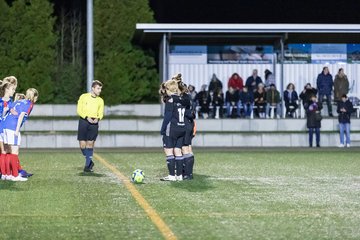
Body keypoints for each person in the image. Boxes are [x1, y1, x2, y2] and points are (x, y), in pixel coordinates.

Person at [2, 88, 39, 181]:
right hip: (12, 127)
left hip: (5, 125)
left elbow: (9, 108)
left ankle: (6, 174)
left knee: (7, 151)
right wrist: (17, 130)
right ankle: (15, 175)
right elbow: (21, 115)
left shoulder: (20, 101)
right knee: (14, 152)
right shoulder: (29, 104)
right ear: (34, 96)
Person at [160, 79, 187, 181]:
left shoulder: (170, 100)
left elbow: (168, 116)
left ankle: (171, 176)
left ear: (168, 89)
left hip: (172, 128)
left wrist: (162, 129)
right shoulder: (181, 99)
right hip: (182, 127)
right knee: (178, 151)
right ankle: (179, 176)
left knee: (169, 151)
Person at [77, 80, 104, 173]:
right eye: (98, 88)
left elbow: (101, 113)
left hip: (94, 123)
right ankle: (90, 162)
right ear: (93, 88)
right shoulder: (83, 97)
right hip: (84, 121)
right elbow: (79, 110)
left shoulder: (100, 100)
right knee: (82, 145)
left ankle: (87, 165)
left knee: (90, 144)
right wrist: (86, 117)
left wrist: (98, 118)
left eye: (100, 89)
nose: (100, 90)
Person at [0, 82, 16, 180]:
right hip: (1, 128)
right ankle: (5, 174)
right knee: (3, 150)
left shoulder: (11, 102)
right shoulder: (0, 102)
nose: (14, 91)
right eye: (12, 89)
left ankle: (7, 174)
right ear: (7, 89)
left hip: (7, 129)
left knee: (7, 150)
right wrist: (5, 112)